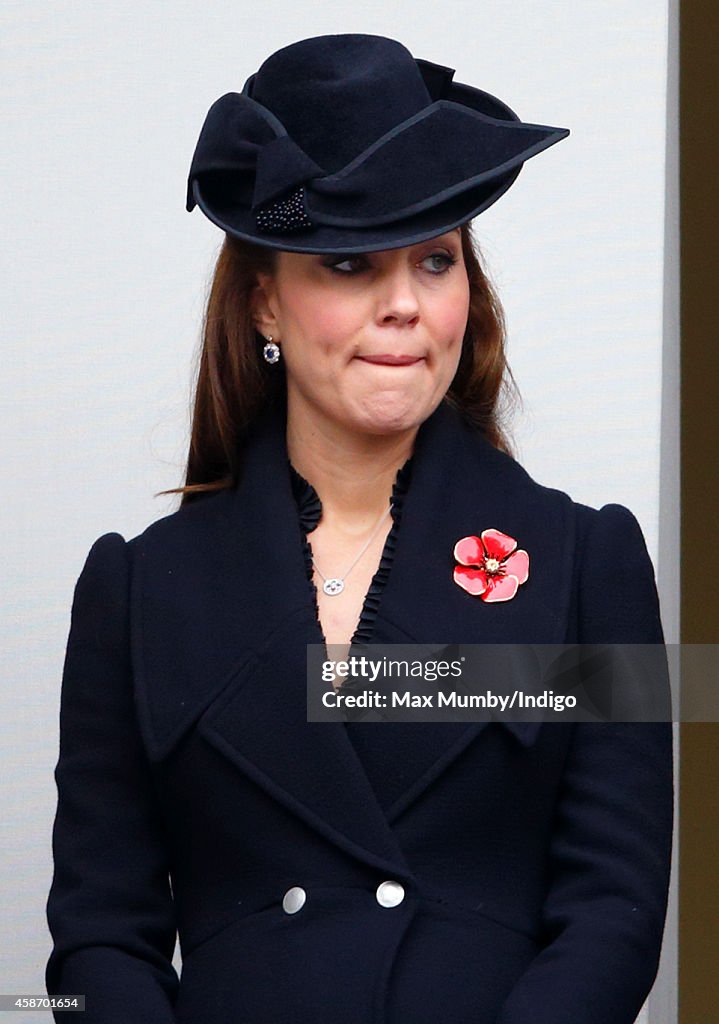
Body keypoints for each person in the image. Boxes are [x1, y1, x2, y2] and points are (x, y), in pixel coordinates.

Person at [45, 33, 673, 1024]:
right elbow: (96, 934)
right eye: (346, 262)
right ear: (266, 298)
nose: (402, 306)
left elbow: (614, 910)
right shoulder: (136, 588)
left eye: (434, 259)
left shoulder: (587, 560)